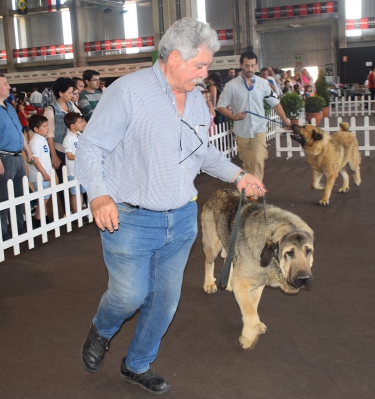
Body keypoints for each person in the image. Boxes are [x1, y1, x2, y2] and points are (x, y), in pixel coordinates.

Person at [75, 18, 265, 395]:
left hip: (180, 220)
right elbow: (90, 147)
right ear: (174, 58)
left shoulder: (195, 98)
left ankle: (137, 364)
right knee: (128, 295)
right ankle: (102, 327)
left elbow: (202, 151)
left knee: (164, 301)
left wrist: (237, 175)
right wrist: (98, 194)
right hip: (129, 219)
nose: (205, 73)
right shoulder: (128, 92)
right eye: (200, 65)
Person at [217, 50, 290, 182]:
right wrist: (233, 117)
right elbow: (220, 106)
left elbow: (275, 103)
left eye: (252, 66)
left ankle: (255, 190)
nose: (250, 69)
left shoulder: (263, 84)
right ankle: (250, 187)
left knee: (257, 159)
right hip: (241, 130)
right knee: (247, 163)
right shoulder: (231, 86)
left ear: (256, 65)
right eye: (247, 65)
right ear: (241, 64)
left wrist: (285, 120)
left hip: (259, 129)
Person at [0, 74, 34, 241]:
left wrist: (28, 150)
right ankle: (2, 233)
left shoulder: (9, 107)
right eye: (5, 84)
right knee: (2, 198)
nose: (9, 87)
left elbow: (19, 131)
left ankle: (18, 227)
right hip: (3, 157)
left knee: (19, 195)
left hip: (17, 157)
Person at [43, 77, 79, 214]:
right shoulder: (51, 110)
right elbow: (49, 134)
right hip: (59, 150)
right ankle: (67, 210)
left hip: (74, 149)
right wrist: (54, 155)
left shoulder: (72, 106)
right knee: (64, 181)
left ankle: (77, 207)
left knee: (74, 178)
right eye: (69, 92)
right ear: (60, 93)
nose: (72, 95)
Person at [27, 114, 52, 227]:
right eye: (44, 126)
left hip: (43, 174)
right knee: (43, 199)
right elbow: (35, 160)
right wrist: (44, 173)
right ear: (36, 129)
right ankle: (38, 220)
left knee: (45, 198)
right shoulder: (35, 141)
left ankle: (44, 218)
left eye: (47, 125)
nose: (47, 128)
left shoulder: (41, 139)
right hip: (39, 175)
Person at [62, 112, 86, 213]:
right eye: (80, 122)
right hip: (73, 171)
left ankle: (80, 211)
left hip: (81, 169)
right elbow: (69, 155)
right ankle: (76, 212)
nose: (83, 124)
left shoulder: (79, 135)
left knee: (80, 192)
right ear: (72, 126)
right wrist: (82, 157)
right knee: (75, 193)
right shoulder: (68, 138)